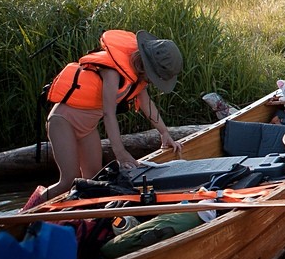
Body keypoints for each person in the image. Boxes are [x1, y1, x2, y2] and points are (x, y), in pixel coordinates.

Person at [27, 30, 184, 209]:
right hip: (62, 122)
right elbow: (109, 113)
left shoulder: (138, 79)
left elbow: (147, 104)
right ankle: (26, 212)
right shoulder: (113, 72)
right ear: (146, 65)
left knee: (93, 180)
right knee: (68, 180)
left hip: (88, 129)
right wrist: (120, 152)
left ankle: (80, 218)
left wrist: (164, 132)